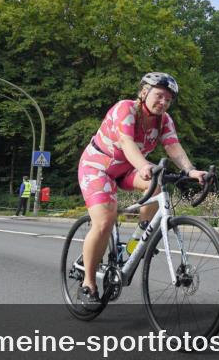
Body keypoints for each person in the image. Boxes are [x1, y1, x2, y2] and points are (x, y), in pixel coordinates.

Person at [76, 72, 207, 308]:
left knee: (156, 185)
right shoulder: (125, 109)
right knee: (105, 221)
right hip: (98, 166)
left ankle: (141, 237)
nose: (163, 103)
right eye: (159, 96)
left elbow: (173, 147)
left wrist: (190, 171)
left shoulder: (164, 120)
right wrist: (144, 165)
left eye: (168, 100)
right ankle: (88, 282)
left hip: (128, 168)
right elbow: (126, 142)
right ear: (144, 92)